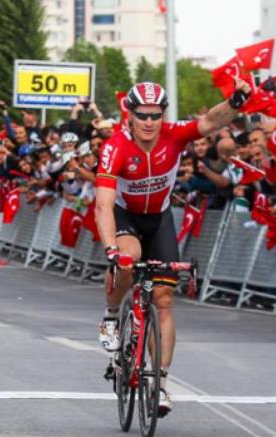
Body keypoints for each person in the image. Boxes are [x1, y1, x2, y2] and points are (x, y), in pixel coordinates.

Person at [95, 80, 251, 415]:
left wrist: (235, 102)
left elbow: (211, 120)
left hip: (160, 218)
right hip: (126, 216)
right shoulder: (116, 147)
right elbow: (104, 205)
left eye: (155, 115)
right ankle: (110, 315)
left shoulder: (174, 134)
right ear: (130, 114)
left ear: (163, 114)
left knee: (164, 301)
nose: (149, 122)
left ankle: (160, 382)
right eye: (142, 115)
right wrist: (111, 248)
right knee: (129, 259)